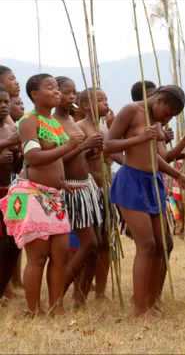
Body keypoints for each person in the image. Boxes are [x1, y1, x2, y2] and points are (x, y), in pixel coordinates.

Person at [106, 84, 185, 317]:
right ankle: (139, 308)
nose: (167, 119)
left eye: (172, 117)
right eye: (168, 113)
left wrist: (177, 174)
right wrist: (139, 138)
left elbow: (153, 155)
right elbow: (108, 146)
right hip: (130, 182)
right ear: (160, 99)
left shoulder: (155, 120)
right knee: (146, 245)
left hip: (152, 182)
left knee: (161, 245)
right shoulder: (130, 111)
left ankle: (150, 300)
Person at [0, 74, 83, 315]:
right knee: (38, 257)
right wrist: (69, 146)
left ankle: (56, 308)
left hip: (54, 196)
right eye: (50, 88)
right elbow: (33, 158)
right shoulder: (28, 121)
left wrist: (62, 182)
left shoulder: (55, 123)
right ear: (34, 94)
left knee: (60, 255)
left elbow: (55, 161)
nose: (56, 91)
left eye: (57, 87)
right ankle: (33, 310)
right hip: (32, 194)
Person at [53, 77, 105, 306]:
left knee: (94, 246)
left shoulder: (73, 122)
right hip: (70, 188)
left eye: (74, 92)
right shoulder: (53, 123)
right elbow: (56, 160)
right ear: (55, 95)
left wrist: (89, 152)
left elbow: (78, 154)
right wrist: (83, 146)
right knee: (88, 244)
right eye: (66, 92)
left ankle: (80, 300)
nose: (71, 96)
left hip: (86, 188)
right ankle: (57, 297)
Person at [77, 88, 122, 301]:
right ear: (86, 106)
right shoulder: (79, 129)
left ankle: (101, 292)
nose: (106, 103)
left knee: (106, 243)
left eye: (106, 98)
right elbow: (73, 160)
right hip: (88, 194)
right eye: (100, 100)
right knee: (90, 246)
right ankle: (81, 292)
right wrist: (87, 150)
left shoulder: (104, 128)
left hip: (106, 191)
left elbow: (113, 155)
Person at [0, 86, 21, 299]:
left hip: (12, 193)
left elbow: (17, 167)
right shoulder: (9, 135)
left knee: (14, 241)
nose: (4, 106)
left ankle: (3, 288)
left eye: (6, 102)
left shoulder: (11, 128)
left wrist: (18, 156)